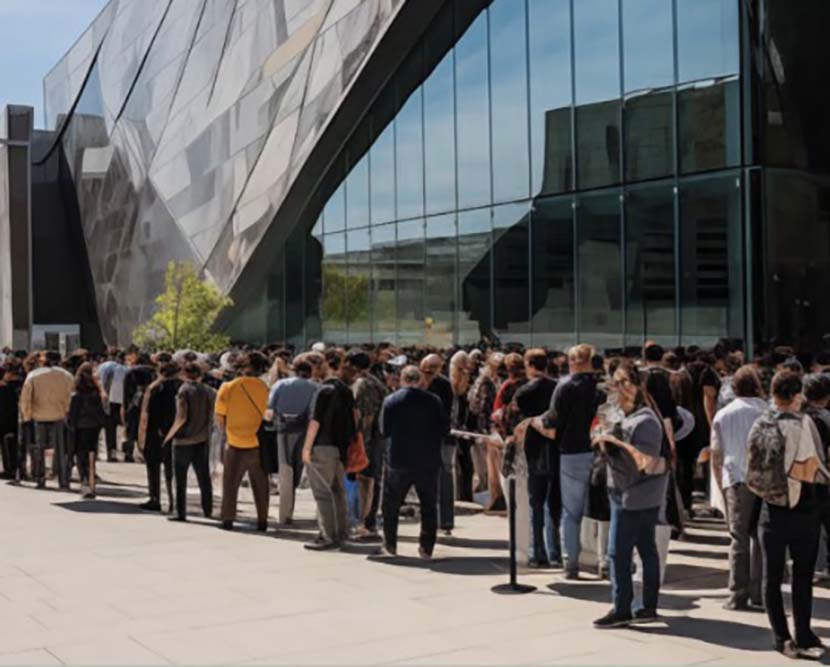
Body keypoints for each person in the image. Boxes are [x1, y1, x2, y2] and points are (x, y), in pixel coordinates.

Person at [748, 371, 829, 660]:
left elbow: (752, 469)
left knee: (771, 577)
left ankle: (781, 637)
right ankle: (803, 632)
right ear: (796, 396)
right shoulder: (806, 424)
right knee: (802, 575)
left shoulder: (760, 423)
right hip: (804, 508)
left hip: (770, 508)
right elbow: (817, 466)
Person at [592, 362, 669, 628]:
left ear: (637, 386)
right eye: (615, 382)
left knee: (618, 552)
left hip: (635, 495)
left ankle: (622, 608)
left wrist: (613, 443)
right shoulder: (622, 415)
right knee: (645, 547)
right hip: (625, 492)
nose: (619, 388)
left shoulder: (645, 421)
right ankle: (646, 606)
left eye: (625, 382)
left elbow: (645, 462)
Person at [524, 344, 601, 579]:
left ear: (573, 362)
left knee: (572, 512)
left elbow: (552, 420)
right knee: (602, 512)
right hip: (599, 451)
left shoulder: (565, 386)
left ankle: (571, 563)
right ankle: (605, 561)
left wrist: (534, 422)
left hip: (571, 452)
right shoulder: (601, 387)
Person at [710, 365, 767, 611]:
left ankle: (737, 593)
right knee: (761, 538)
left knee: (738, 538)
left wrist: (719, 485)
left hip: (735, 479)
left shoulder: (723, 415)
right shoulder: (767, 411)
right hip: (764, 479)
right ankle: (760, 591)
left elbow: (716, 454)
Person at [379, 365, 450, 558]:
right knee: (428, 504)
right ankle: (426, 547)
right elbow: (445, 428)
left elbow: (384, 430)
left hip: (399, 458)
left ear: (402, 379)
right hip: (428, 459)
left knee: (391, 505)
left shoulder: (391, 400)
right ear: (420, 381)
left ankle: (390, 544)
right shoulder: (433, 400)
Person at [301, 350, 358, 550]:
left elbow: (315, 420)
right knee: (338, 493)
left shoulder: (323, 390)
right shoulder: (346, 391)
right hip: (340, 449)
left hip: (321, 446)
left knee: (322, 494)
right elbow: (354, 420)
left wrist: (306, 448)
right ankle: (341, 534)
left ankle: (327, 536)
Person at [514, 349, 561, 568]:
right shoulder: (557, 388)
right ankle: (554, 552)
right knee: (554, 505)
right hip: (556, 449)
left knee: (536, 504)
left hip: (533, 450)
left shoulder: (524, 392)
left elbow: (513, 415)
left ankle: (537, 552)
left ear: (529, 365)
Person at [215, 352, 270, 531]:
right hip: (257, 443)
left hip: (234, 442)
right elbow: (267, 413)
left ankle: (228, 518)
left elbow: (219, 416)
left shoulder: (228, 387)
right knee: (261, 484)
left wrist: (226, 434)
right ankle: (262, 520)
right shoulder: (264, 387)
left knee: (230, 483)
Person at [267, 356, 317, 525]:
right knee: (299, 468)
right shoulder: (315, 387)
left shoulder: (280, 385)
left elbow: (270, 408)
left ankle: (285, 513)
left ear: (294, 370)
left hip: (283, 430)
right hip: (305, 431)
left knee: (285, 469)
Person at [166, 363, 216, 522]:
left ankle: (180, 512)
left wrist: (173, 434)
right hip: (202, 438)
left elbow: (181, 416)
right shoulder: (208, 391)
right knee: (204, 477)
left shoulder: (184, 390)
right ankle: (207, 509)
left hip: (183, 441)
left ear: (184, 373)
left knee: (180, 478)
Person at [19, 351, 74, 489]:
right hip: (59, 415)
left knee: (39, 448)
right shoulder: (67, 376)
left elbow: (25, 398)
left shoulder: (33, 375)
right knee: (61, 450)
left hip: (38, 416)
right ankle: (63, 480)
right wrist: (66, 412)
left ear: (43, 361)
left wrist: (26, 415)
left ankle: (40, 479)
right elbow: (71, 396)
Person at [138, 360, 182, 512]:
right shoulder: (181, 386)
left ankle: (155, 498)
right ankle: (173, 501)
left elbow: (146, 414)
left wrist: (141, 437)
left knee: (153, 468)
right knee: (171, 470)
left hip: (154, 433)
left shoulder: (154, 388)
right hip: (176, 432)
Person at [420, 353, 455, 534]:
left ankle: (446, 521)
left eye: (432, 370)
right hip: (422, 438)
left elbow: (446, 414)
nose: (429, 374)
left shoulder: (444, 385)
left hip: (441, 438)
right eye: (426, 370)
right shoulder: (418, 383)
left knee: (444, 476)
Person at [802, 373, 830, 577]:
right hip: (823, 480)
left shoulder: (796, 417)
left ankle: (810, 567)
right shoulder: (826, 418)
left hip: (800, 479)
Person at [66, 362, 107, 498]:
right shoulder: (96, 395)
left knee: (81, 457)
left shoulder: (76, 396)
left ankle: (85, 484)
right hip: (93, 428)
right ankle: (91, 483)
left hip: (80, 429)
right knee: (91, 456)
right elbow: (102, 413)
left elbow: (72, 417)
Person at [122, 350, 155, 463]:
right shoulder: (152, 371)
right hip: (148, 404)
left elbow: (126, 392)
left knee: (131, 430)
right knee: (146, 429)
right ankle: (145, 453)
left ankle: (128, 454)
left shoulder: (130, 371)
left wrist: (125, 407)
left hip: (133, 404)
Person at [98, 348, 127, 462]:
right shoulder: (122, 368)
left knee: (107, 428)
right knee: (120, 428)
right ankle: (118, 453)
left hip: (103, 399)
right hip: (118, 401)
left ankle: (106, 452)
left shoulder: (101, 366)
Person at [0, 359, 25, 480]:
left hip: (7, 422)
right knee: (12, 447)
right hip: (13, 420)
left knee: (8, 447)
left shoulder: (6, 388)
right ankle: (15, 470)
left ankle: (10, 470)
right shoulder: (17, 385)